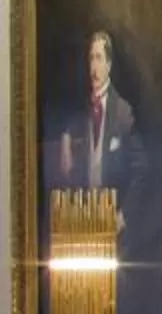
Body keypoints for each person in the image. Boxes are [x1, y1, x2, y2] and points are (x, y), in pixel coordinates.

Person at [52, 28, 136, 195]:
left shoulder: (123, 112)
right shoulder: (83, 111)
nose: (94, 67)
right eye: (91, 58)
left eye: (99, 58)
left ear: (109, 65)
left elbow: (139, 170)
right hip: (88, 212)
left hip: (113, 212)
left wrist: (124, 215)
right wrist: (66, 136)